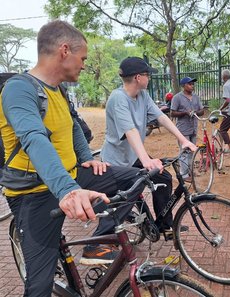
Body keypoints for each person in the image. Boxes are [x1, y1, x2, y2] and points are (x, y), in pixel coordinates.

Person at [0, 20, 144, 296]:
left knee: (137, 179)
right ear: (64, 50)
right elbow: (33, 137)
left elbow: (74, 126)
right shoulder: (19, 89)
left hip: (72, 177)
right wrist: (67, 190)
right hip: (35, 193)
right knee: (39, 287)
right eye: (83, 58)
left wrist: (87, 158)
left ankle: (97, 243)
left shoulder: (59, 89)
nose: (84, 65)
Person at [98, 57, 196, 250]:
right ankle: (104, 243)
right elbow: (130, 131)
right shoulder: (118, 98)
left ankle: (163, 224)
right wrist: (146, 160)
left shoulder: (142, 96)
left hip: (133, 156)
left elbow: (161, 117)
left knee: (164, 178)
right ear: (137, 77)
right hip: (115, 161)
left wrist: (183, 139)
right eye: (147, 74)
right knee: (124, 199)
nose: (149, 78)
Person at [170, 77, 204, 182]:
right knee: (184, 152)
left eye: (193, 84)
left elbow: (202, 110)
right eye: (189, 84)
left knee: (191, 151)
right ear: (183, 86)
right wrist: (185, 113)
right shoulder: (177, 98)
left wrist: (195, 112)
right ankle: (183, 175)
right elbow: (172, 113)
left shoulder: (196, 97)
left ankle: (189, 171)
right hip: (183, 129)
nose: (192, 86)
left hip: (193, 128)